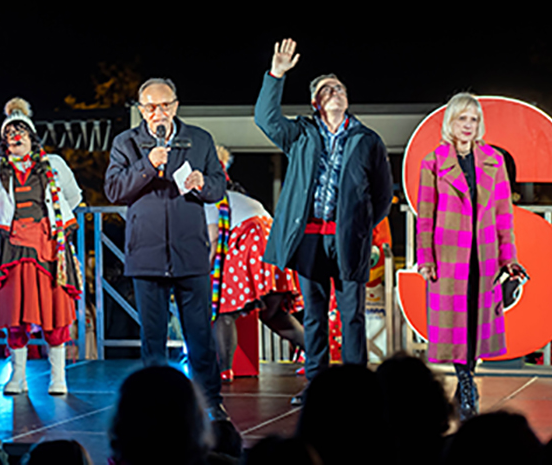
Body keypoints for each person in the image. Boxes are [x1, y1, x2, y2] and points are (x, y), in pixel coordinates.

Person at [254, 38, 393, 404]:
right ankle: (316, 383)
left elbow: (381, 194)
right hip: (310, 240)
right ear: (315, 102)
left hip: (348, 241)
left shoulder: (367, 140)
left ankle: (357, 386)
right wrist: (276, 74)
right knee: (314, 316)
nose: (335, 93)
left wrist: (361, 227)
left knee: (353, 316)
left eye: (340, 88)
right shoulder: (300, 132)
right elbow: (265, 119)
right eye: (326, 89)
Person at [104, 78, 228, 419]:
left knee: (200, 333)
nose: (157, 112)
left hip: (190, 253)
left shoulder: (199, 139)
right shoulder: (126, 143)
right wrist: (148, 164)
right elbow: (114, 189)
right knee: (153, 337)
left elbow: (219, 186)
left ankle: (210, 401)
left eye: (164, 105)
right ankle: (155, 405)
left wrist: (204, 184)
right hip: (147, 253)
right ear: (141, 110)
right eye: (149, 106)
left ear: (176, 105)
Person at [416, 92, 523, 420]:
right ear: (451, 122)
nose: (468, 125)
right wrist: (426, 258)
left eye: (473, 119)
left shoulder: (494, 161)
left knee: (477, 321)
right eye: (462, 118)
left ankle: (467, 377)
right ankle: (465, 381)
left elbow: (504, 214)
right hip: (448, 255)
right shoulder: (433, 162)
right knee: (454, 323)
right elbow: (425, 215)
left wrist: (509, 258)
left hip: (485, 256)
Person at [0, 98, 83, 395]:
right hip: (13, 249)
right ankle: (18, 377)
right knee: (15, 314)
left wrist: (51, 221)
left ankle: (58, 377)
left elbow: (73, 196)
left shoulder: (53, 164)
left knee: (54, 312)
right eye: (10, 134)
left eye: (21, 132)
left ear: (31, 136)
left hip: (47, 247)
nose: (16, 138)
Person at [206, 146, 305, 382]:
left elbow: (213, 243)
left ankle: (224, 370)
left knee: (224, 310)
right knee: (273, 314)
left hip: (252, 242)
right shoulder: (242, 198)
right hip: (274, 243)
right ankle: (317, 356)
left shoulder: (209, 200)